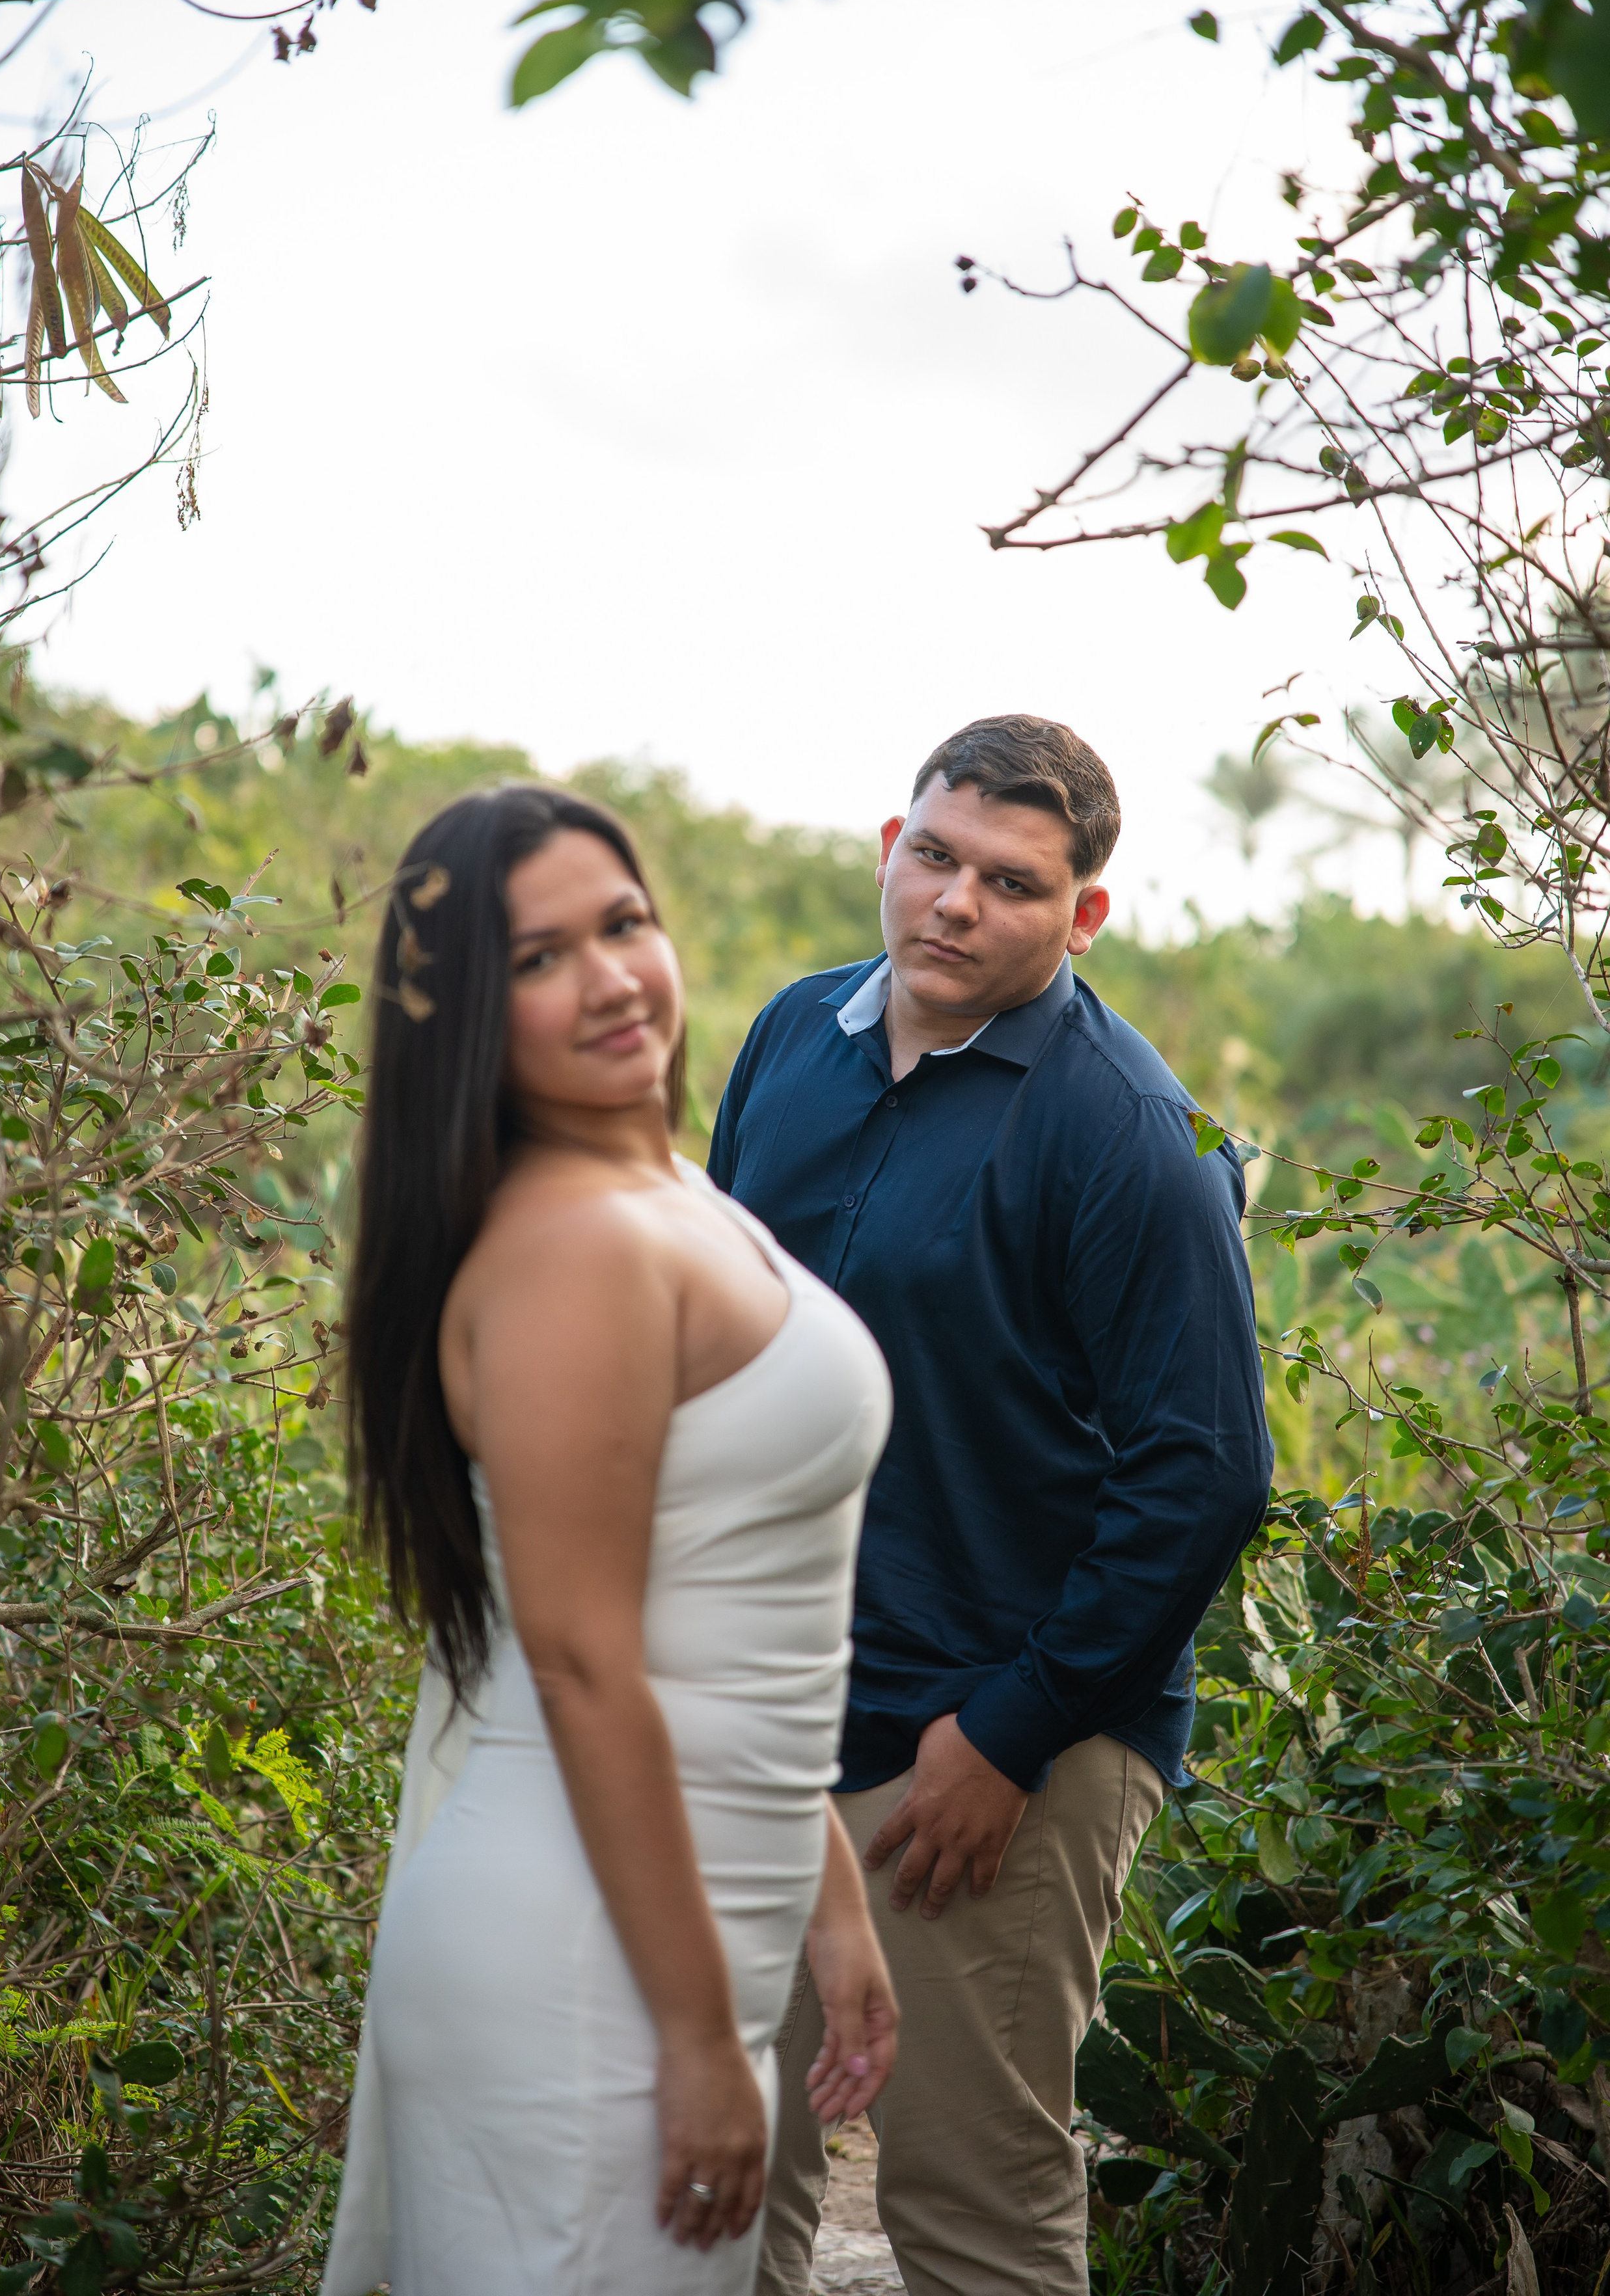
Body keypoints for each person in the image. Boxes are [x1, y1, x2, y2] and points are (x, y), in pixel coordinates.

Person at [708, 715, 1274, 2296]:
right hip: (769, 1712)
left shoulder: (1124, 1139)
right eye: (935, 857)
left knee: (972, 2209)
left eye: (1011, 884)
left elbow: (1207, 1473)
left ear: (1080, 916)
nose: (954, 904)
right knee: (708, 2174)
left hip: (995, 1738)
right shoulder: (789, 1039)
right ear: (890, 848)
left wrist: (1009, 1731)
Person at [320, 784, 899, 2296]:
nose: (608, 978)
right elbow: (583, 1662)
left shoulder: (665, 1194)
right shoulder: (573, 1249)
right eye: (536, 959)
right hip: (585, 1966)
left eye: (623, 924)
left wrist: (828, 1903)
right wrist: (701, 2040)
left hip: (684, 1921)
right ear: (458, 1020)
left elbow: (725, 1612)